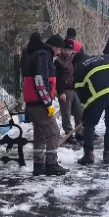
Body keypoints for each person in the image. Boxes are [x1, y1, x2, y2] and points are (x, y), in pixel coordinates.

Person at [21, 32, 69, 176]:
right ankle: (51, 165)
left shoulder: (36, 54)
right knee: (54, 133)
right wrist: (48, 103)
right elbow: (40, 81)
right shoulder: (43, 56)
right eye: (60, 49)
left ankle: (39, 165)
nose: (60, 52)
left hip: (33, 101)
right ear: (54, 47)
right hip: (39, 102)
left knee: (40, 134)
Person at [54, 38, 84, 142]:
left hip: (75, 89)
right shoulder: (58, 62)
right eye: (65, 50)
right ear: (62, 50)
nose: (67, 52)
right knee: (66, 113)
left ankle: (79, 132)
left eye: (69, 50)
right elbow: (56, 78)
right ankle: (69, 134)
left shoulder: (73, 59)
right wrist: (60, 92)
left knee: (78, 111)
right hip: (65, 90)